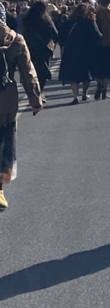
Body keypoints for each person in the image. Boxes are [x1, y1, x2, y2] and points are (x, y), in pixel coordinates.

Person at [0, 19, 46, 209]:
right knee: (4, 143)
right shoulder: (15, 39)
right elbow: (28, 72)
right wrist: (35, 100)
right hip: (5, 100)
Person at [60, 1, 100, 102]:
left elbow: (61, 34)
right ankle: (84, 93)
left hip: (71, 50)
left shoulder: (69, 21)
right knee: (86, 74)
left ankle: (75, 96)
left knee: (73, 75)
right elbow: (97, 35)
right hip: (86, 50)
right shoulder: (89, 22)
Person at [19, 0, 58, 92]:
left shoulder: (26, 19)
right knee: (42, 72)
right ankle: (40, 91)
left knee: (30, 70)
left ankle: (32, 90)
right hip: (43, 49)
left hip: (29, 48)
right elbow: (55, 34)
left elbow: (22, 32)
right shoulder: (47, 20)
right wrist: (52, 43)